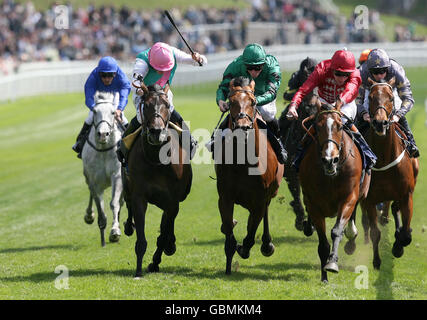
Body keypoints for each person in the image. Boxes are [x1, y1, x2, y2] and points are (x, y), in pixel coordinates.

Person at [286, 49, 377, 171]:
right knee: (319, 124)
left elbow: (350, 90)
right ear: (332, 69)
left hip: (345, 103)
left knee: (343, 121)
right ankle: (298, 157)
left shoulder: (355, 74)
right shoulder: (321, 69)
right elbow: (304, 90)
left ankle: (367, 154)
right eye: (338, 73)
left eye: (346, 74)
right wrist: (293, 106)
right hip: (324, 102)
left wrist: (340, 102)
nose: (342, 78)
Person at [118, 42, 207, 162]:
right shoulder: (142, 61)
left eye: (165, 68)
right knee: (141, 118)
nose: (161, 72)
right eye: (158, 69)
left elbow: (202, 62)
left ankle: (189, 139)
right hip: (145, 94)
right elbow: (135, 84)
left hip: (163, 92)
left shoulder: (173, 53)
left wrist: (198, 58)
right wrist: (142, 91)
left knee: (169, 110)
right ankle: (123, 145)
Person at [209, 43, 287, 164]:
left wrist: (255, 101)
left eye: (257, 68)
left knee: (267, 113)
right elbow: (223, 87)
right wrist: (220, 100)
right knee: (235, 113)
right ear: (244, 64)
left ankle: (279, 144)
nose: (253, 72)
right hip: (243, 97)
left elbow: (272, 92)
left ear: (264, 63)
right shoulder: (235, 65)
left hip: (263, 97)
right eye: (249, 68)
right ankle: (217, 138)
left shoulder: (272, 65)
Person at [358, 48, 419, 157]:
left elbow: (408, 98)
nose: (379, 76)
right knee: (359, 116)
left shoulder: (396, 71)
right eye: (375, 72)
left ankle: (411, 143)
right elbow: (356, 100)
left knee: (397, 109)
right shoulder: (362, 72)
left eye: (382, 71)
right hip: (369, 90)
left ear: (388, 68)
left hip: (391, 90)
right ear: (369, 70)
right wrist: (363, 113)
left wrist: (398, 115)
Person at [72, 56, 131, 158]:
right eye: (103, 75)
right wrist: (94, 108)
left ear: (115, 74)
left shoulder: (121, 77)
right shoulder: (93, 76)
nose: (107, 79)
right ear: (99, 73)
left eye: (110, 75)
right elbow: (89, 97)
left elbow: (124, 93)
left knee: (123, 119)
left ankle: (131, 144)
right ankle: (79, 143)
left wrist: (119, 109)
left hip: (114, 98)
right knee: (90, 117)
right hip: (99, 100)